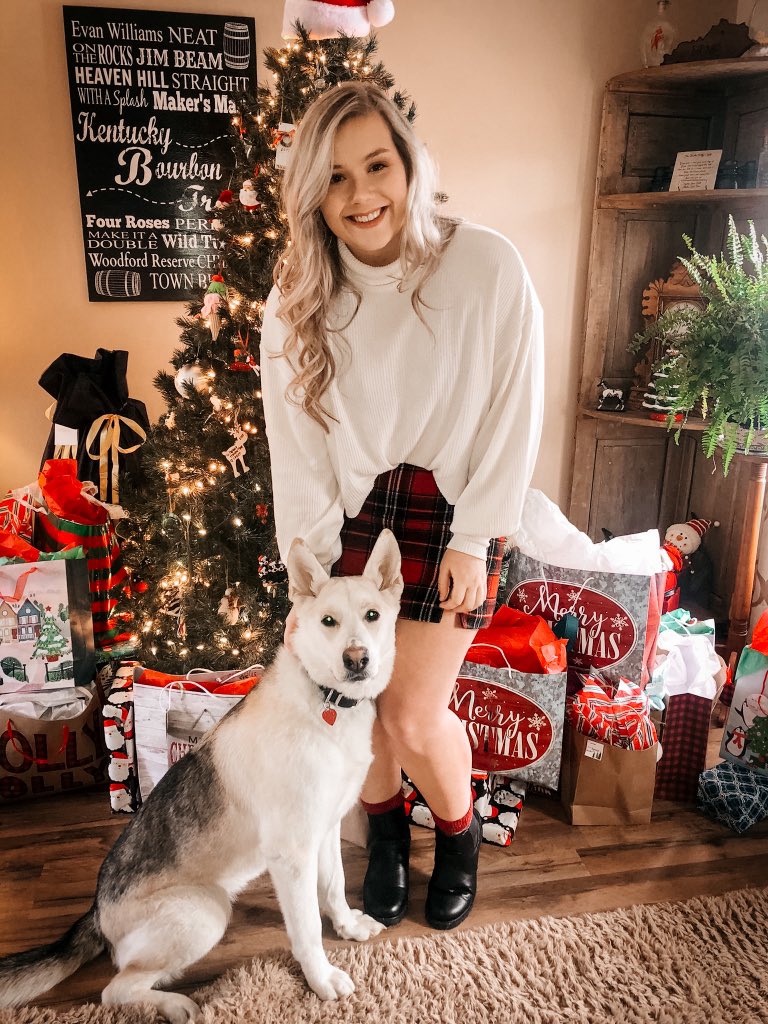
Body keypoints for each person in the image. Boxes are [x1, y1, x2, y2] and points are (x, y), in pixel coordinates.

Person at [260, 81, 544, 931]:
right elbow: (296, 447)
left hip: (451, 509)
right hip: (349, 516)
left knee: (412, 715)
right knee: (358, 709)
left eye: (376, 165)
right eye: (335, 177)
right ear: (313, 195)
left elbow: (515, 409)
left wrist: (477, 537)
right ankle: (386, 840)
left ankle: (458, 837)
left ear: (410, 165)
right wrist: (309, 579)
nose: (361, 195)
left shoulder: (487, 265)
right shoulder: (296, 299)